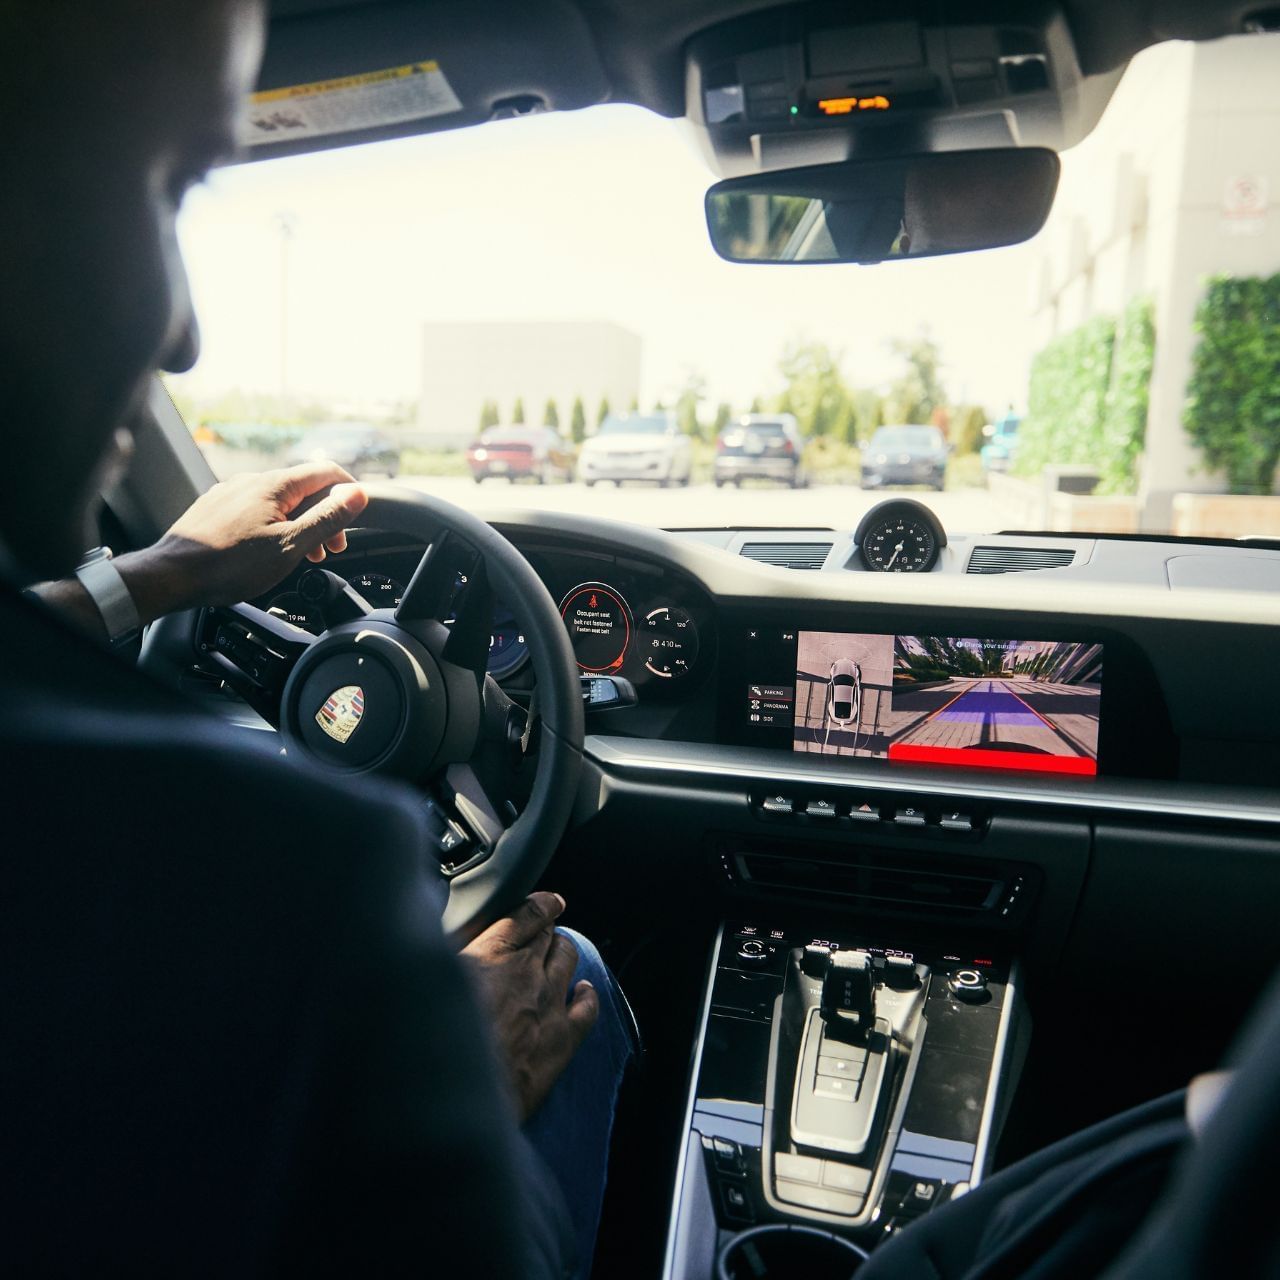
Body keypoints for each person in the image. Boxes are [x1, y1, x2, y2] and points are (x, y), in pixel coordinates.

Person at [0, 1, 630, 1274]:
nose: (183, 333)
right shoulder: (297, 896)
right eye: (166, 185)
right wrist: (432, 1073)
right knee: (578, 977)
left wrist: (169, 572)